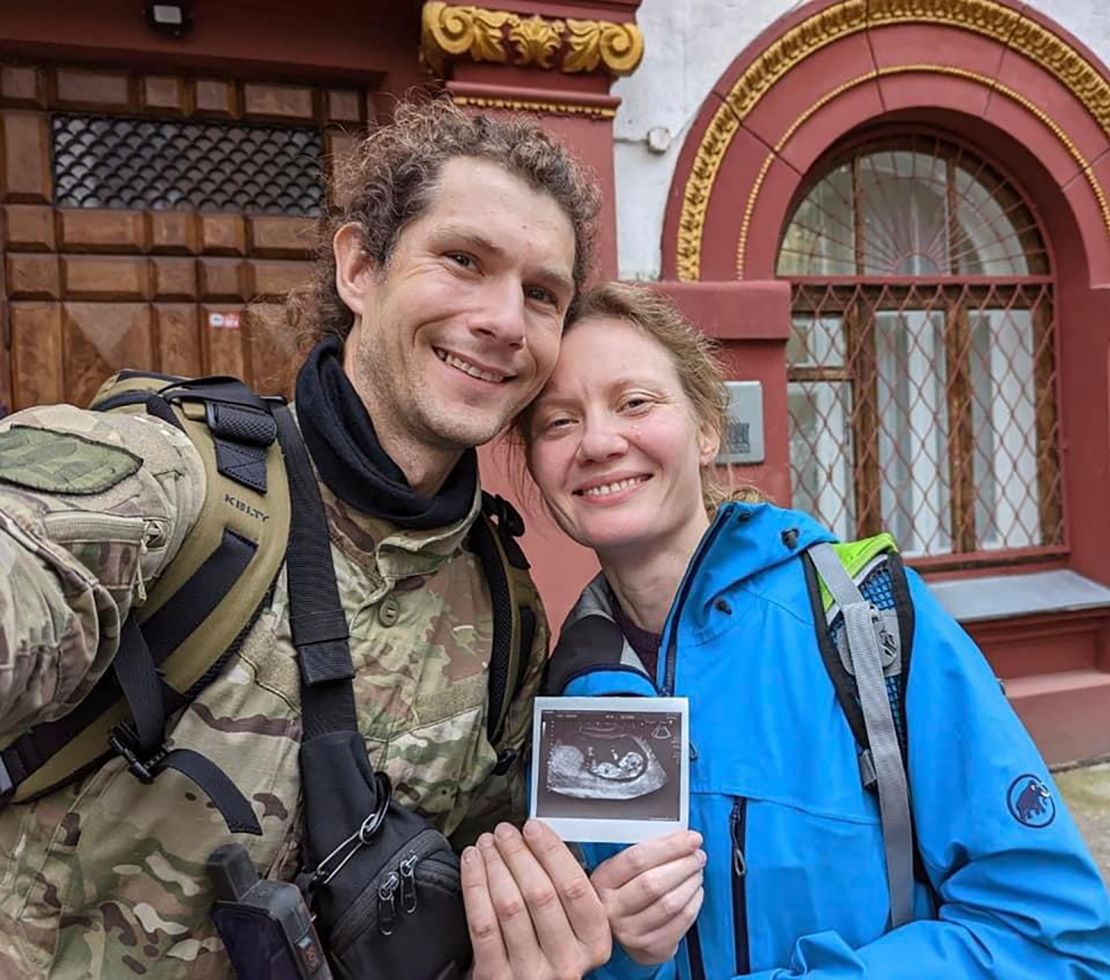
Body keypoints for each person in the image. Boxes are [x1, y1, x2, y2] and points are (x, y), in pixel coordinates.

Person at [0, 100, 611, 979]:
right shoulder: (173, 481)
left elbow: (461, 908)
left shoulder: (506, 609)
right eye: (463, 261)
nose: (506, 320)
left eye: (541, 295)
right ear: (360, 267)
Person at [518, 281, 1110, 978]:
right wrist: (617, 949)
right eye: (557, 422)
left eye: (635, 402)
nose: (598, 441)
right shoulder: (570, 680)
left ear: (707, 427)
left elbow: (1053, 935)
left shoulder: (864, 616)